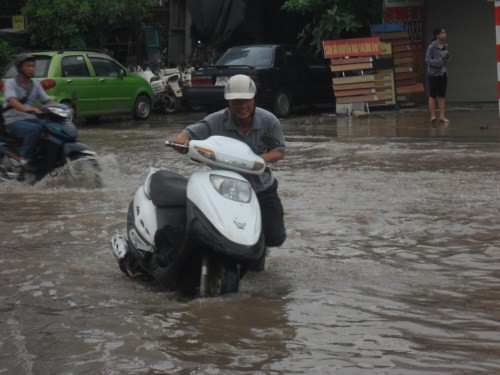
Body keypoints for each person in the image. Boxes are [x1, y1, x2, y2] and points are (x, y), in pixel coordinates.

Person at [173, 74, 287, 267]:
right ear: (229, 103)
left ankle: (260, 245)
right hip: (224, 190)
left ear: (254, 100)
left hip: (260, 189)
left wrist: (257, 161)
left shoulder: (269, 121)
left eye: (247, 101)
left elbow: (279, 151)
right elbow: (187, 134)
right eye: (237, 102)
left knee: (275, 236)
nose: (242, 106)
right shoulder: (215, 121)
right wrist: (181, 140)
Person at [2, 53, 54, 169]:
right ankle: (25, 159)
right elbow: (12, 100)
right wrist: (28, 108)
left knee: (51, 128)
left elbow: (47, 100)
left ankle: (45, 158)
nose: (31, 69)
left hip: (31, 119)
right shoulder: (10, 83)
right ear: (20, 68)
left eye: (33, 66)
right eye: (28, 66)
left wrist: (61, 108)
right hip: (13, 121)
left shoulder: (35, 84)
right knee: (34, 130)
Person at [425, 27, 450, 123]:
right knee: (433, 95)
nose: (444, 34)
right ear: (437, 35)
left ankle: (442, 116)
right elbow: (427, 59)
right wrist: (438, 62)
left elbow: (446, 59)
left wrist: (447, 57)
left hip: (443, 73)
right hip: (433, 74)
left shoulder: (445, 45)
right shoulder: (432, 46)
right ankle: (433, 116)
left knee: (442, 95)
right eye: (442, 33)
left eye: (445, 32)